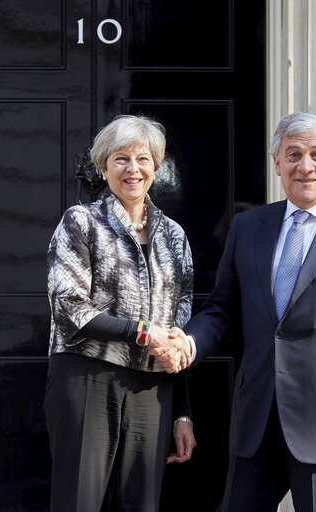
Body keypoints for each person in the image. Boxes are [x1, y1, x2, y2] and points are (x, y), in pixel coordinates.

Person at [157, 112, 316, 511]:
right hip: (256, 420)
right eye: (293, 154)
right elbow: (223, 309)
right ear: (277, 163)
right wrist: (189, 341)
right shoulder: (248, 226)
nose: (305, 166)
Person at [44, 114, 196, 512]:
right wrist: (144, 333)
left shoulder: (175, 236)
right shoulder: (81, 223)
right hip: (87, 378)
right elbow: (69, 308)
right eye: (121, 159)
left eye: (143, 159)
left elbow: (178, 331)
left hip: (153, 390)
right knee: (79, 501)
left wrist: (183, 413)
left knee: (142, 503)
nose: (133, 169)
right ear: (102, 167)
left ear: (156, 167)